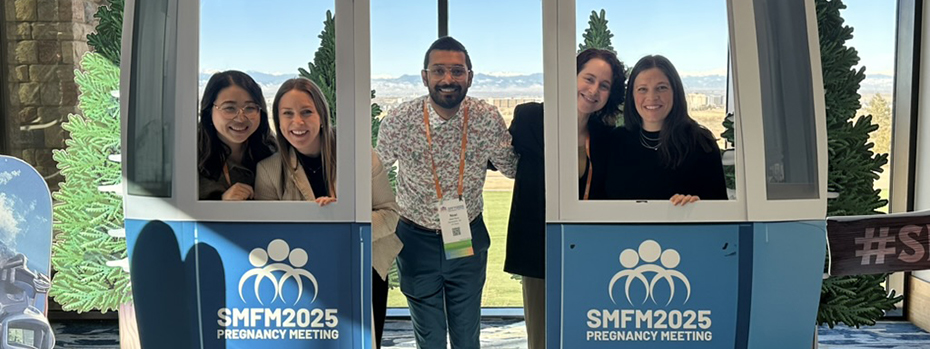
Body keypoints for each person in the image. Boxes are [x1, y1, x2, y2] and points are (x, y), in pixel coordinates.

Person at [375, 36, 518, 349]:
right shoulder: (399, 121)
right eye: (438, 71)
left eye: (457, 71)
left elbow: (513, 168)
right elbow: (372, 171)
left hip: (466, 235)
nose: (448, 79)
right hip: (414, 239)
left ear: (470, 75)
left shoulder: (486, 118)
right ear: (425, 76)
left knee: (467, 335)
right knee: (429, 337)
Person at [253, 78, 402, 348]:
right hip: (301, 276)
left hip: (363, 269)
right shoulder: (268, 170)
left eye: (306, 112)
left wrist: (345, 224)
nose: (297, 122)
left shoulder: (360, 156)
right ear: (277, 119)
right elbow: (267, 236)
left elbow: (390, 214)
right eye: (287, 113)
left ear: (322, 115)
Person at [504, 48, 625, 349]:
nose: (594, 90)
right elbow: (498, 159)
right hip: (539, 251)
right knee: (542, 339)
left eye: (605, 85)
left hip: (589, 253)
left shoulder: (605, 137)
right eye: (588, 78)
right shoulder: (530, 118)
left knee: (588, 334)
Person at [603, 55, 727, 203]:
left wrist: (696, 207)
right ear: (631, 96)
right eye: (642, 89)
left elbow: (719, 212)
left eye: (661, 88)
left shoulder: (701, 143)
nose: (652, 97)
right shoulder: (615, 142)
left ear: (675, 92)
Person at [197, 70, 276, 200]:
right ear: (209, 111)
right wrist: (221, 204)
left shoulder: (272, 150)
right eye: (229, 108)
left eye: (250, 108)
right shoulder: (190, 156)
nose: (240, 118)